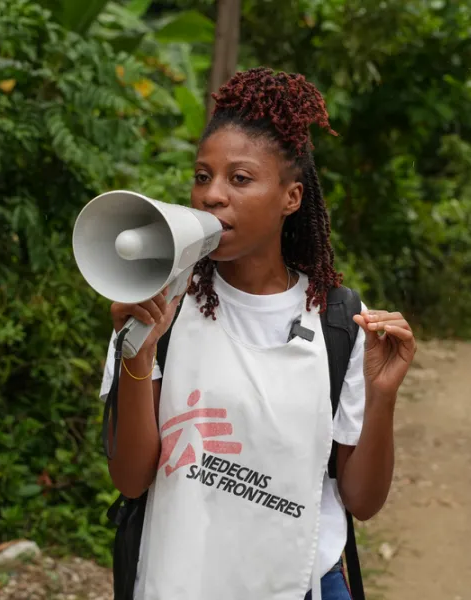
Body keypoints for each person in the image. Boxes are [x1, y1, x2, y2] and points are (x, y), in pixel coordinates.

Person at [99, 67, 416, 600]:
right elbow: (132, 480)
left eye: (239, 179)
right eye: (203, 177)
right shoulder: (158, 311)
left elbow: (361, 500)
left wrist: (382, 395)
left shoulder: (339, 324)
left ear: (291, 198)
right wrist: (139, 352)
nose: (212, 196)